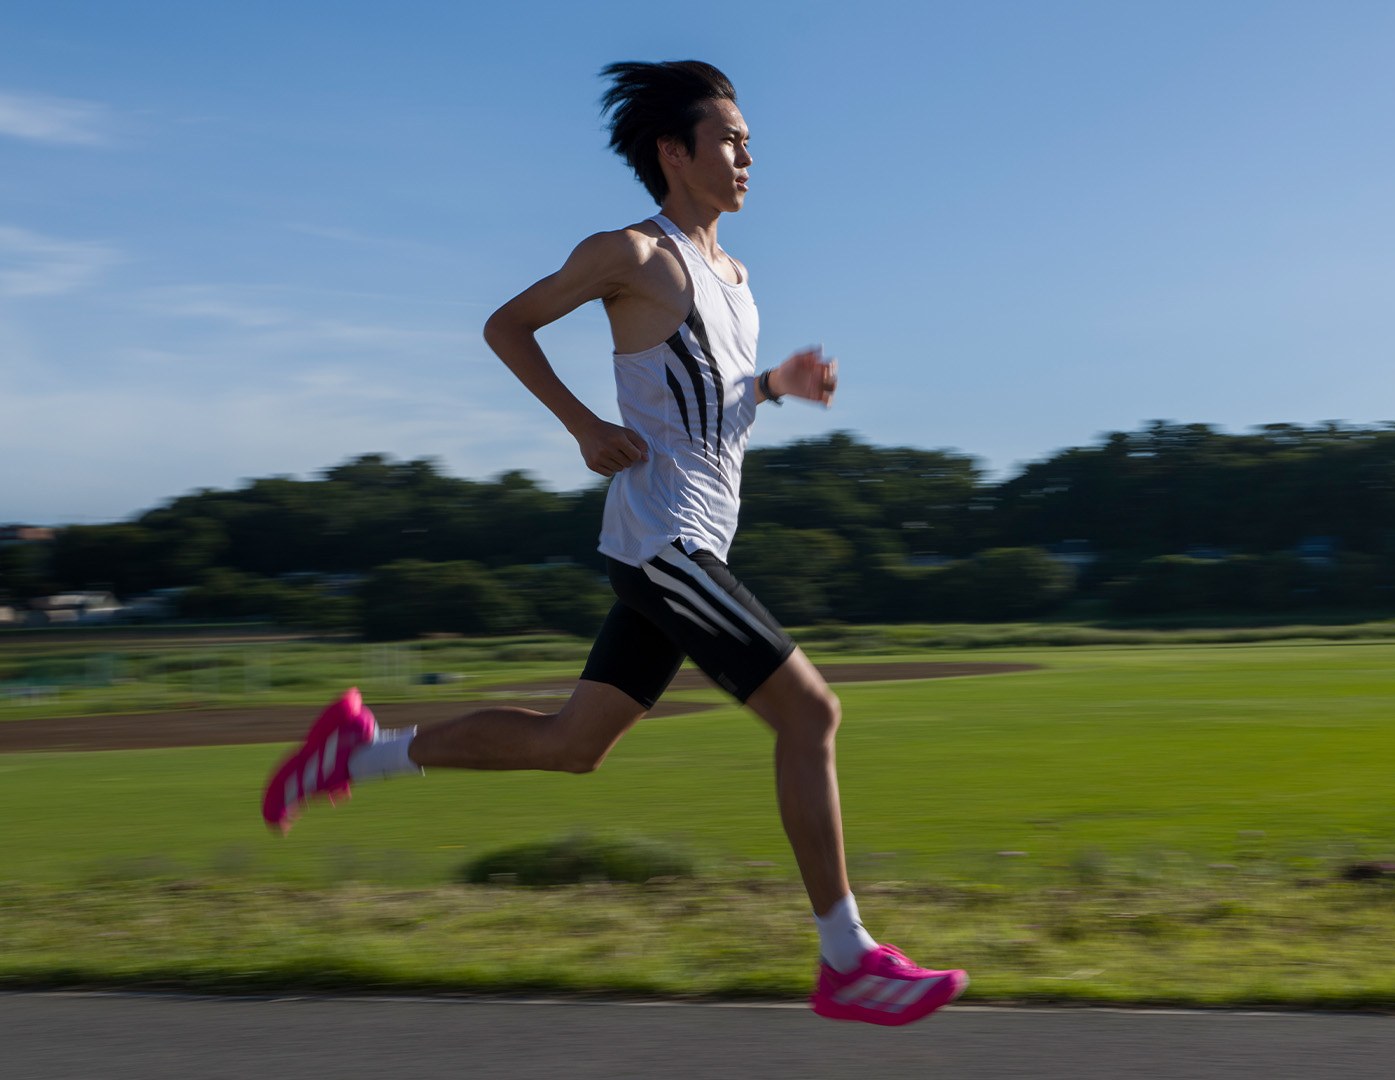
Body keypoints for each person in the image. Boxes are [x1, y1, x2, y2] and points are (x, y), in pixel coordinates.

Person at [262, 59, 965, 1026]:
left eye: (750, 140)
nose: (748, 155)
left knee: (572, 745)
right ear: (673, 153)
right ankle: (847, 958)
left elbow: (703, 404)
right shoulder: (631, 254)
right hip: (664, 544)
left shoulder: (734, 277)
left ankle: (359, 753)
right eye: (728, 139)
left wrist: (770, 389)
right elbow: (507, 325)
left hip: (686, 542)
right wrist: (583, 427)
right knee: (812, 717)